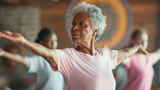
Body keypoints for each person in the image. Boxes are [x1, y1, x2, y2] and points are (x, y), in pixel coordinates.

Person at [0, 2, 147, 90]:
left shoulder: (106, 56)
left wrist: (136, 48)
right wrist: (23, 41)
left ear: (94, 31)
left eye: (81, 24)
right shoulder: (69, 57)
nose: (74, 28)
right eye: (73, 24)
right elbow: (48, 53)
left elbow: (124, 53)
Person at [0, 28, 66, 90]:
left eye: (55, 41)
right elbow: (22, 59)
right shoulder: (39, 60)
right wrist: (4, 53)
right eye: (50, 41)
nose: (54, 44)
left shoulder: (59, 58)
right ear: (41, 43)